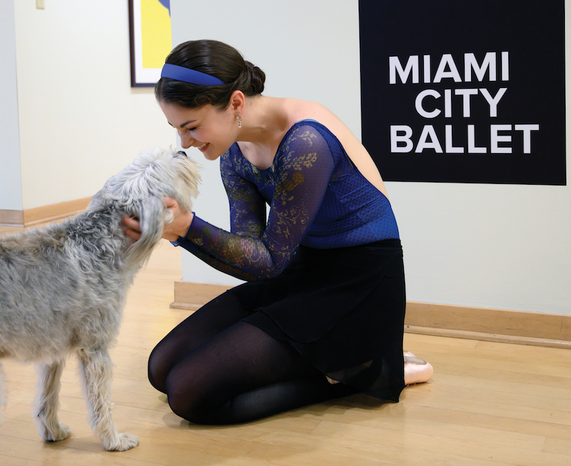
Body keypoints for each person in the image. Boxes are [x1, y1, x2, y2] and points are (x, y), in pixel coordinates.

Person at [123, 39, 432, 425]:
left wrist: (187, 228)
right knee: (161, 367)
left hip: (359, 284)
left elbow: (267, 261)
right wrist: (177, 231)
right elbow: (251, 255)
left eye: (192, 127)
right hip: (300, 268)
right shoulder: (234, 151)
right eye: (177, 129)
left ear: (236, 103)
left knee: (188, 392)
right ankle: (344, 365)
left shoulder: (306, 141)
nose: (185, 142)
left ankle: (363, 369)